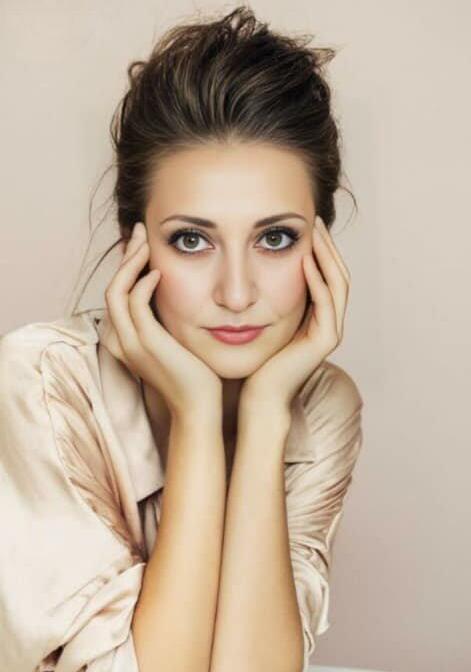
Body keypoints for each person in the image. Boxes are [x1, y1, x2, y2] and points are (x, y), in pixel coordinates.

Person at [0, 6, 364, 671]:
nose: (236, 292)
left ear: (323, 250)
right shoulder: (40, 381)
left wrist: (264, 416)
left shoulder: (317, 402)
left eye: (275, 238)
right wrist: (197, 413)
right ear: (132, 250)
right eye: (192, 240)